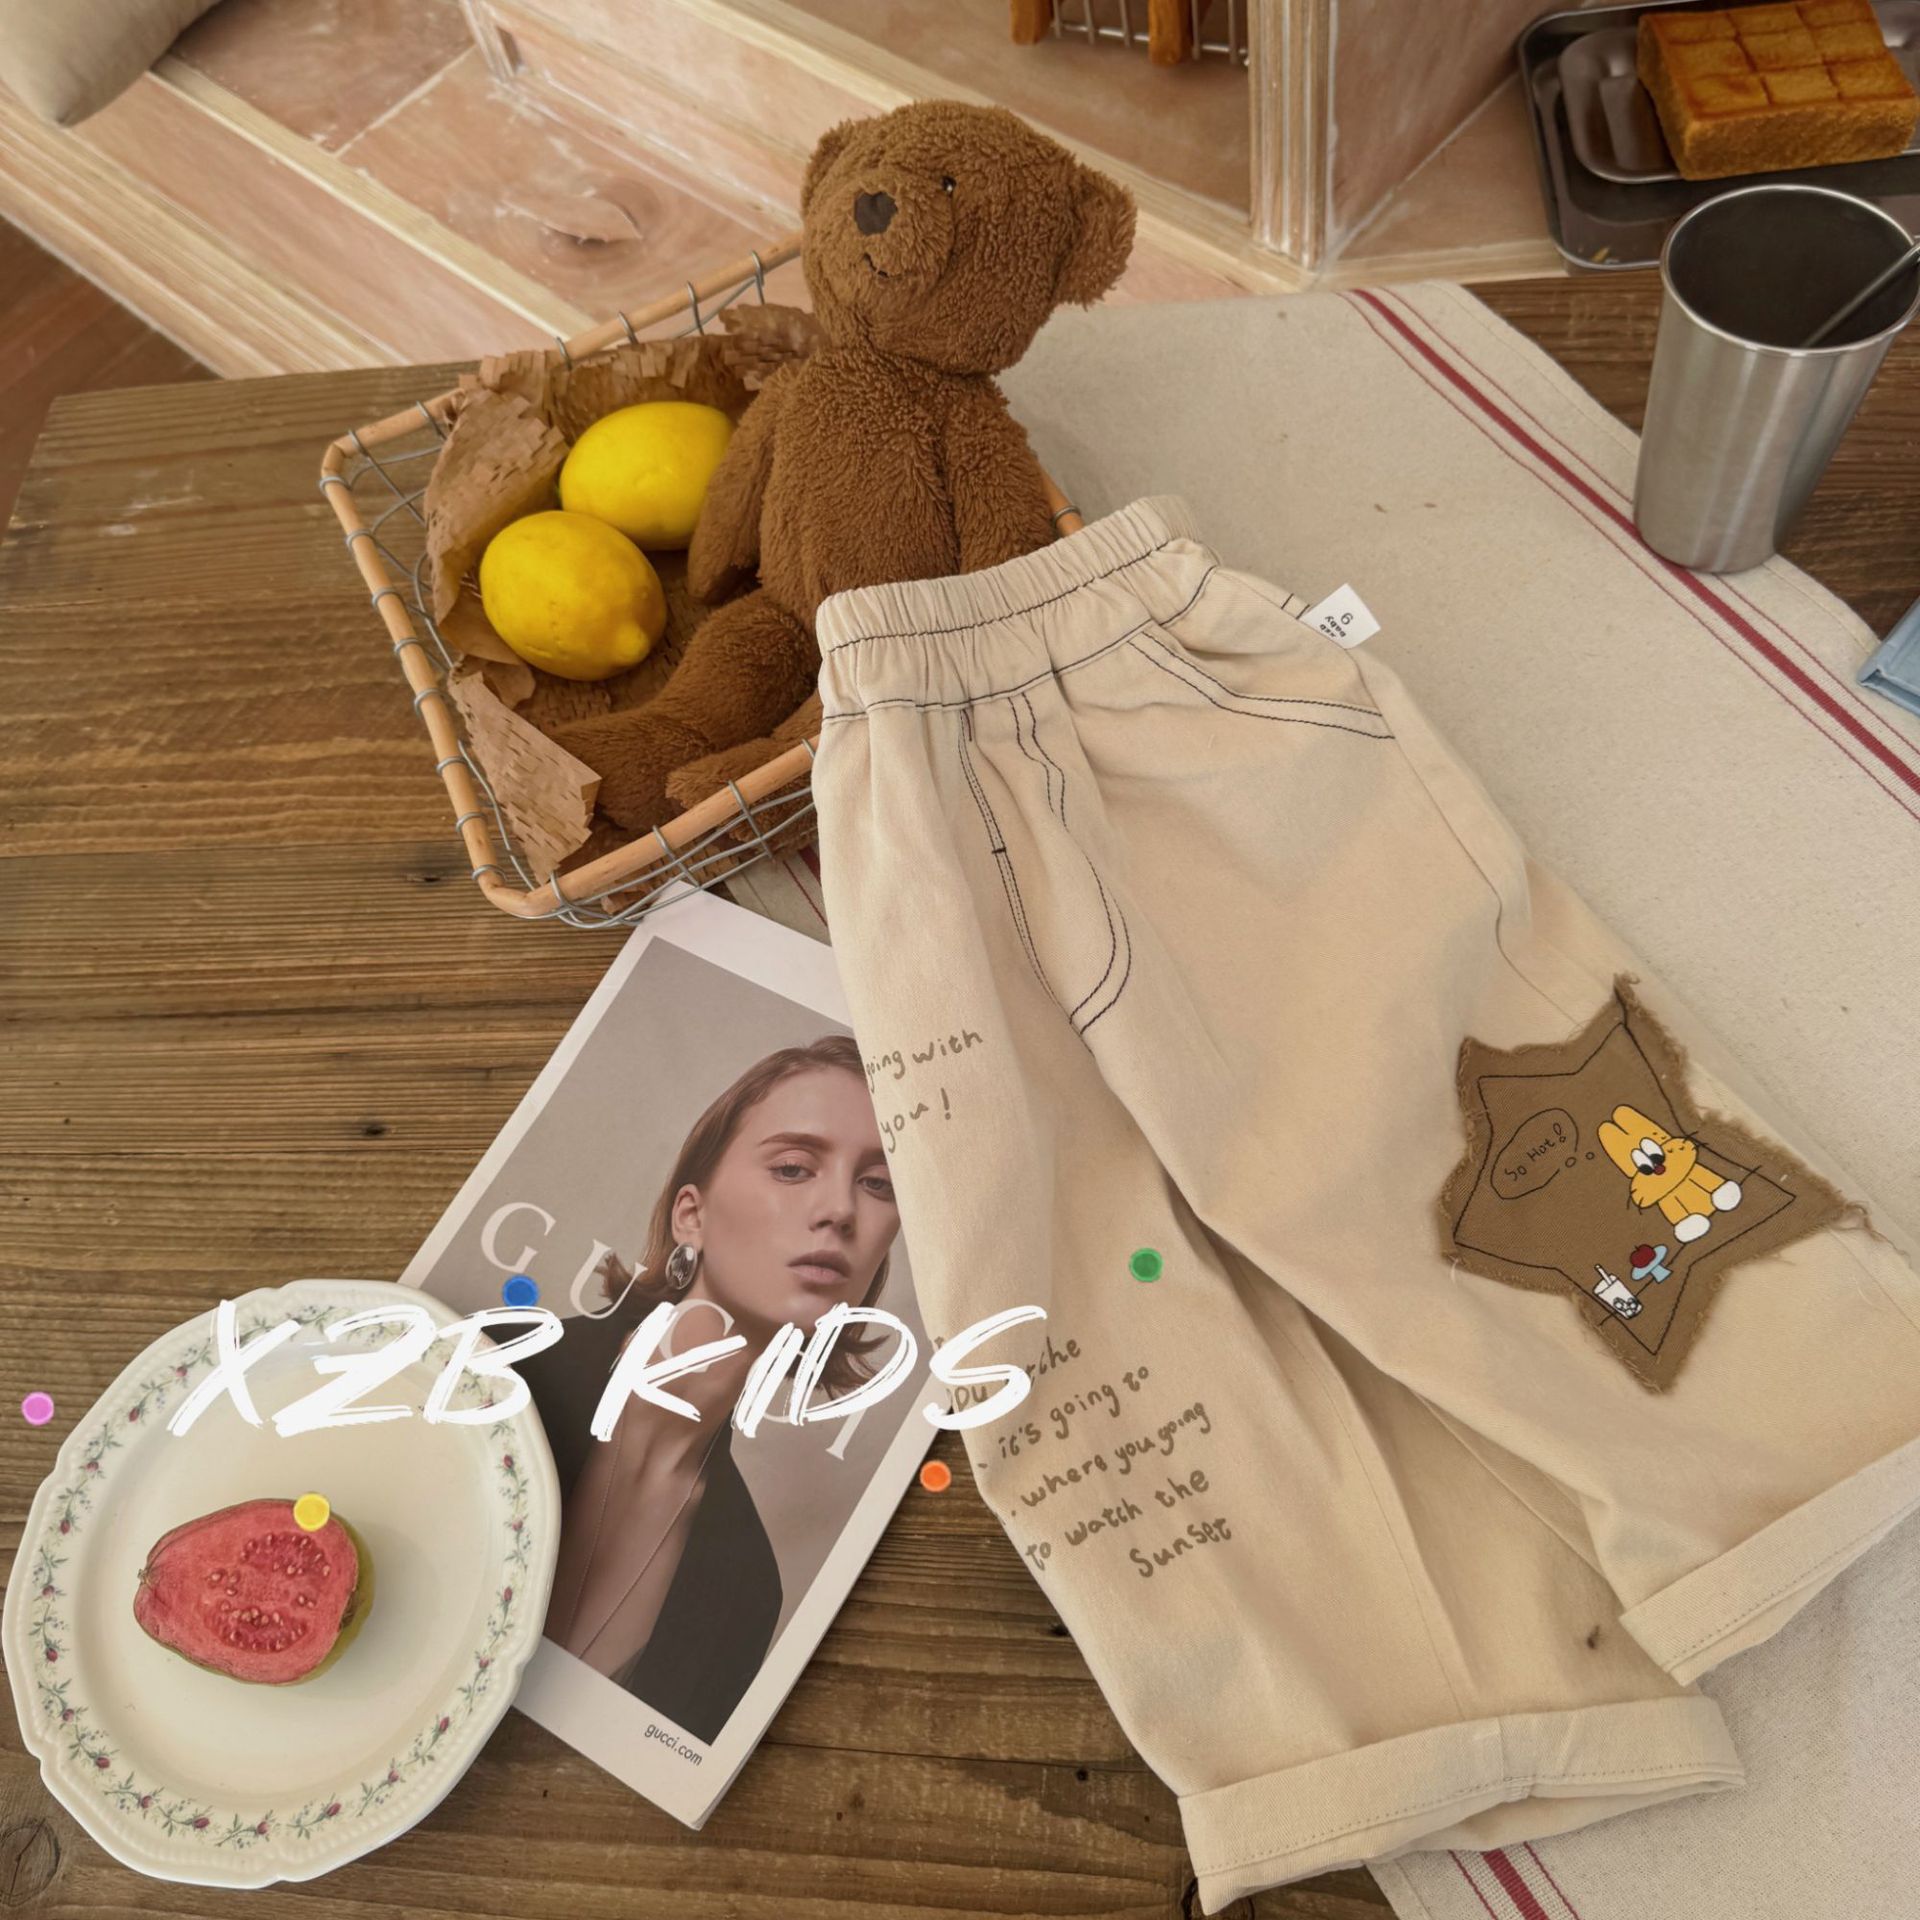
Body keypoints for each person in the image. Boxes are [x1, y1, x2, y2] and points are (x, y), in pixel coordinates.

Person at [530, 1034, 901, 1744]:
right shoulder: (500, 1365)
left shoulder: (749, 1592)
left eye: (878, 1184)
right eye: (793, 1168)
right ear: (691, 1216)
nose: (840, 1210)